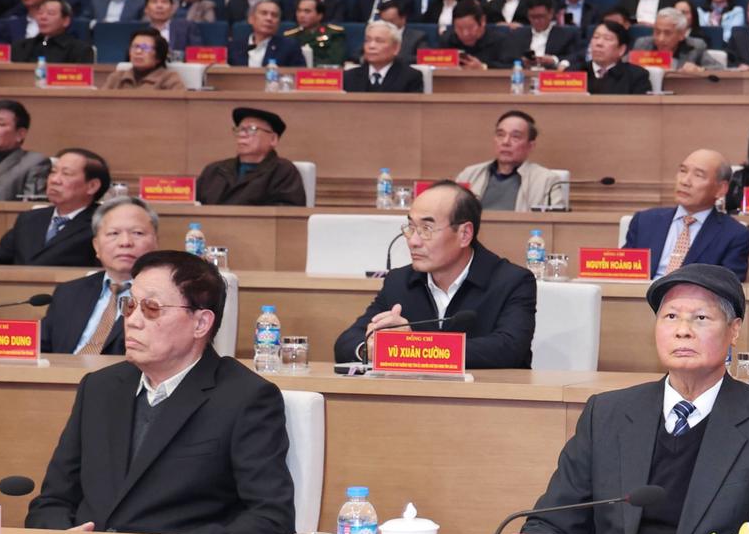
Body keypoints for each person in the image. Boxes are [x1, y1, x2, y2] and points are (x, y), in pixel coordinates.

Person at [522, 265, 749, 534]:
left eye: (700, 318)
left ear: (734, 330)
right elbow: (551, 522)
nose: (683, 331)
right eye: (670, 317)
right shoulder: (606, 414)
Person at [26, 250, 295, 534]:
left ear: (201, 323)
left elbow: (270, 520)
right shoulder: (99, 388)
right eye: (130, 305)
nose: (132, 320)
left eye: (151, 308)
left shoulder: (246, 398)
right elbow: (51, 503)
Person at [332, 180, 536, 366]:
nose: (413, 241)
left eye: (426, 229)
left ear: (464, 234)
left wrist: (411, 346)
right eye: (411, 227)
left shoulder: (512, 281)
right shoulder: (399, 282)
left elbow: (509, 348)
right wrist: (369, 350)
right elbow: (347, 342)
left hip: (486, 394)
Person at [41, 196, 160, 354]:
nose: (125, 242)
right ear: (96, 246)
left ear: (156, 242)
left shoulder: (165, 298)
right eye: (113, 233)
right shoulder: (68, 293)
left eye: (137, 233)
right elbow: (41, 349)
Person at [625, 149, 749, 281]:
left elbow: (728, 287)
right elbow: (622, 272)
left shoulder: (734, 235)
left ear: (721, 189)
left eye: (698, 175)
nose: (685, 181)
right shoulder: (644, 221)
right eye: (683, 171)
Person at [0, 147, 109, 266]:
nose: (54, 180)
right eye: (53, 172)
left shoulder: (103, 224)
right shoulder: (29, 219)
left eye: (66, 174)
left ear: (92, 186)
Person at [196, 107, 307, 206]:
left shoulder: (283, 171)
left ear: (273, 139)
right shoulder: (214, 170)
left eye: (251, 129)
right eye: (239, 129)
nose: (242, 135)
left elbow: (288, 214)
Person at [457, 110, 562, 211]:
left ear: (531, 146)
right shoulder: (469, 175)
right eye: (500, 135)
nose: (505, 142)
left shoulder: (547, 181)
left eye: (515, 137)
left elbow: (555, 220)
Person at [344, 21, 425, 93]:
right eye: (367, 40)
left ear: (396, 48)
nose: (371, 46)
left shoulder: (411, 77)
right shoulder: (348, 76)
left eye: (379, 41)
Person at [229, 0, 306, 68]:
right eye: (264, 13)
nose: (269, 18)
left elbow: (301, 74)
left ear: (279, 23)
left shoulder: (289, 47)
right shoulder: (234, 47)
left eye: (274, 15)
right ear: (251, 19)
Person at [11, 0, 93, 64]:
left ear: (66, 21)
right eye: (40, 13)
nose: (43, 17)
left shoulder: (80, 50)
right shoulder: (20, 46)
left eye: (50, 13)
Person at [103, 30, 185, 90]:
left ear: (159, 56)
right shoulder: (116, 77)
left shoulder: (170, 79)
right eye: (135, 47)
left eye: (145, 48)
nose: (138, 52)